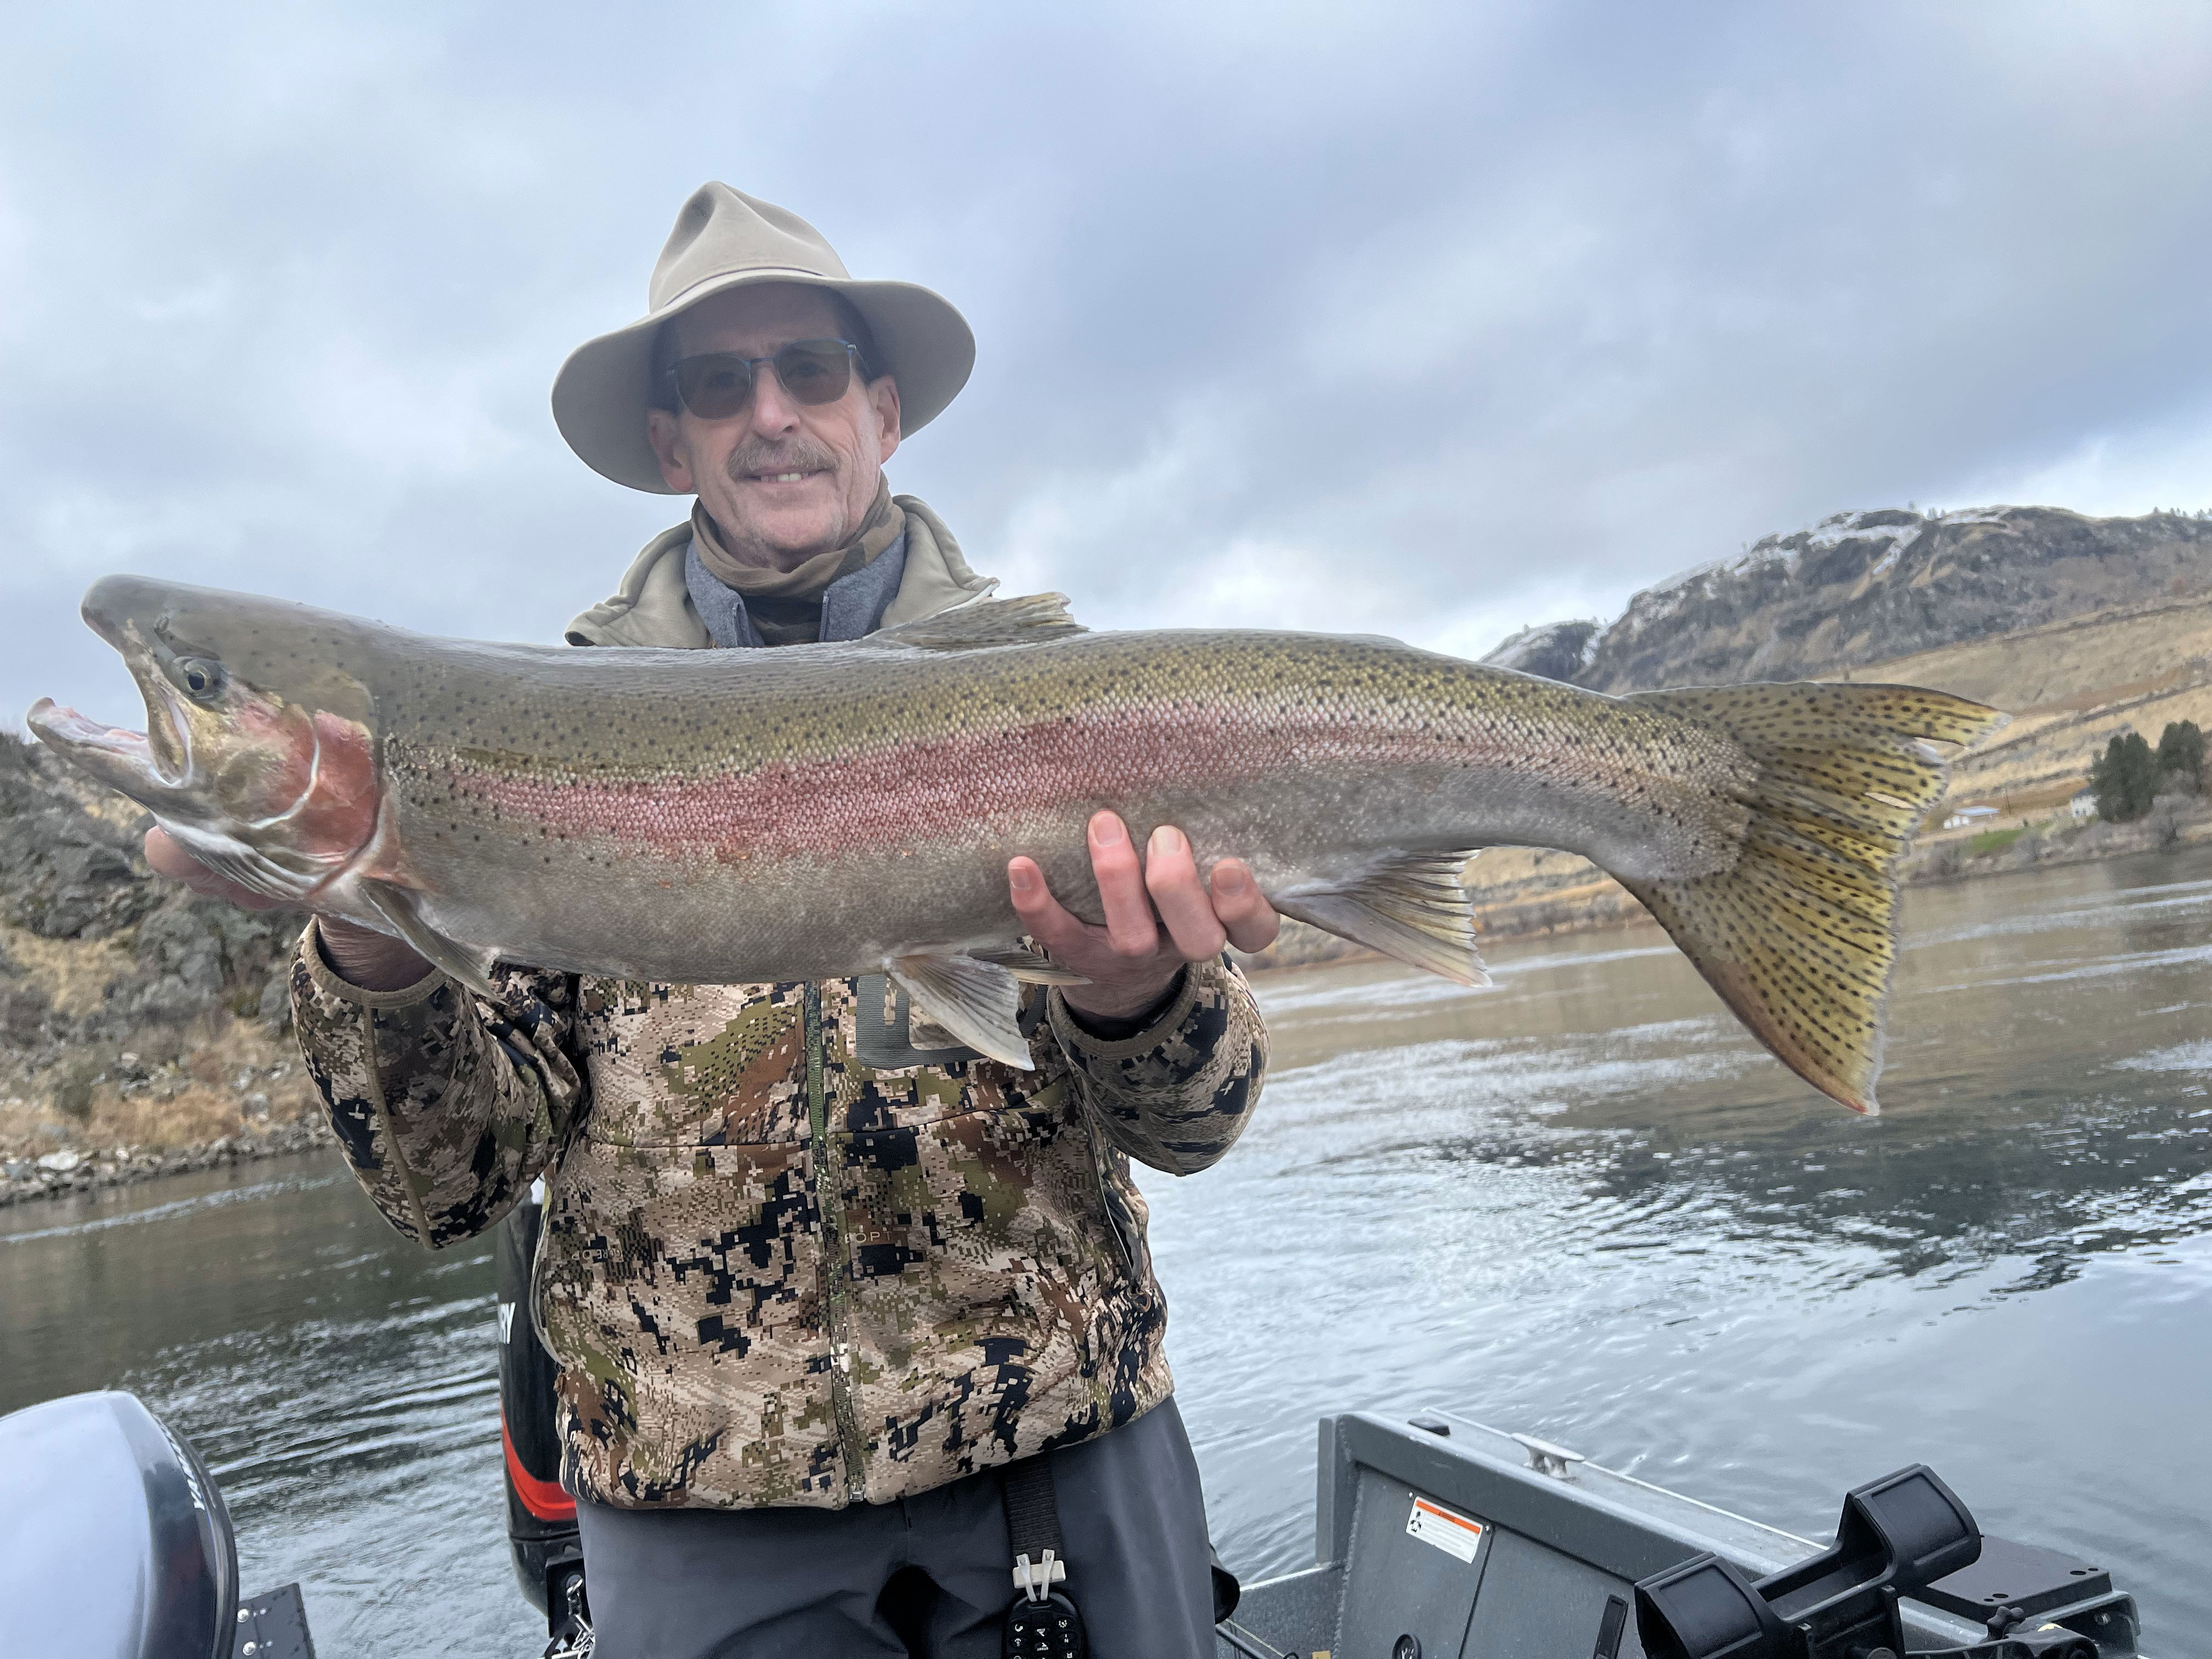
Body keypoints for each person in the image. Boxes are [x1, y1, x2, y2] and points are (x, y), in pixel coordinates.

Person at [148, 182, 1279, 1658]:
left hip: (1063, 1460)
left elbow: (1199, 1121)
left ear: (881, 410)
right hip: (697, 1504)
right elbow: (449, 1187)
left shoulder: (1069, 697)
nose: (772, 412)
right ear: (670, 441)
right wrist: (368, 941)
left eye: (810, 369)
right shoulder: (519, 742)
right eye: (719, 381)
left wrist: (1138, 1002)